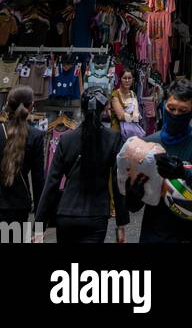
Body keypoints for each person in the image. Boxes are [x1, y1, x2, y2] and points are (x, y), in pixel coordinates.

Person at [126, 77, 192, 244]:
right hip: (153, 234)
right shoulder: (147, 144)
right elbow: (133, 206)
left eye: (182, 110)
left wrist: (184, 172)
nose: (176, 114)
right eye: (171, 109)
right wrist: (134, 192)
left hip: (187, 234)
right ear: (164, 105)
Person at [37, 86, 128, 244]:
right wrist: (121, 223)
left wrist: (39, 226)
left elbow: (51, 182)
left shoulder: (66, 139)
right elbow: (118, 182)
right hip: (96, 214)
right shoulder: (113, 139)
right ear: (105, 108)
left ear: (82, 108)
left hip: (66, 212)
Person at [0, 86, 44, 233]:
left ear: (8, 104)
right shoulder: (35, 135)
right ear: (31, 106)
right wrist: (39, 226)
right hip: (20, 205)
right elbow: (38, 181)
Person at [109, 68, 144, 138]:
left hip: (131, 133)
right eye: (124, 78)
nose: (127, 80)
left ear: (132, 80)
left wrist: (133, 116)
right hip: (117, 134)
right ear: (120, 79)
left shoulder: (133, 94)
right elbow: (121, 116)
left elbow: (137, 114)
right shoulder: (115, 95)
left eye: (129, 78)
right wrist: (134, 116)